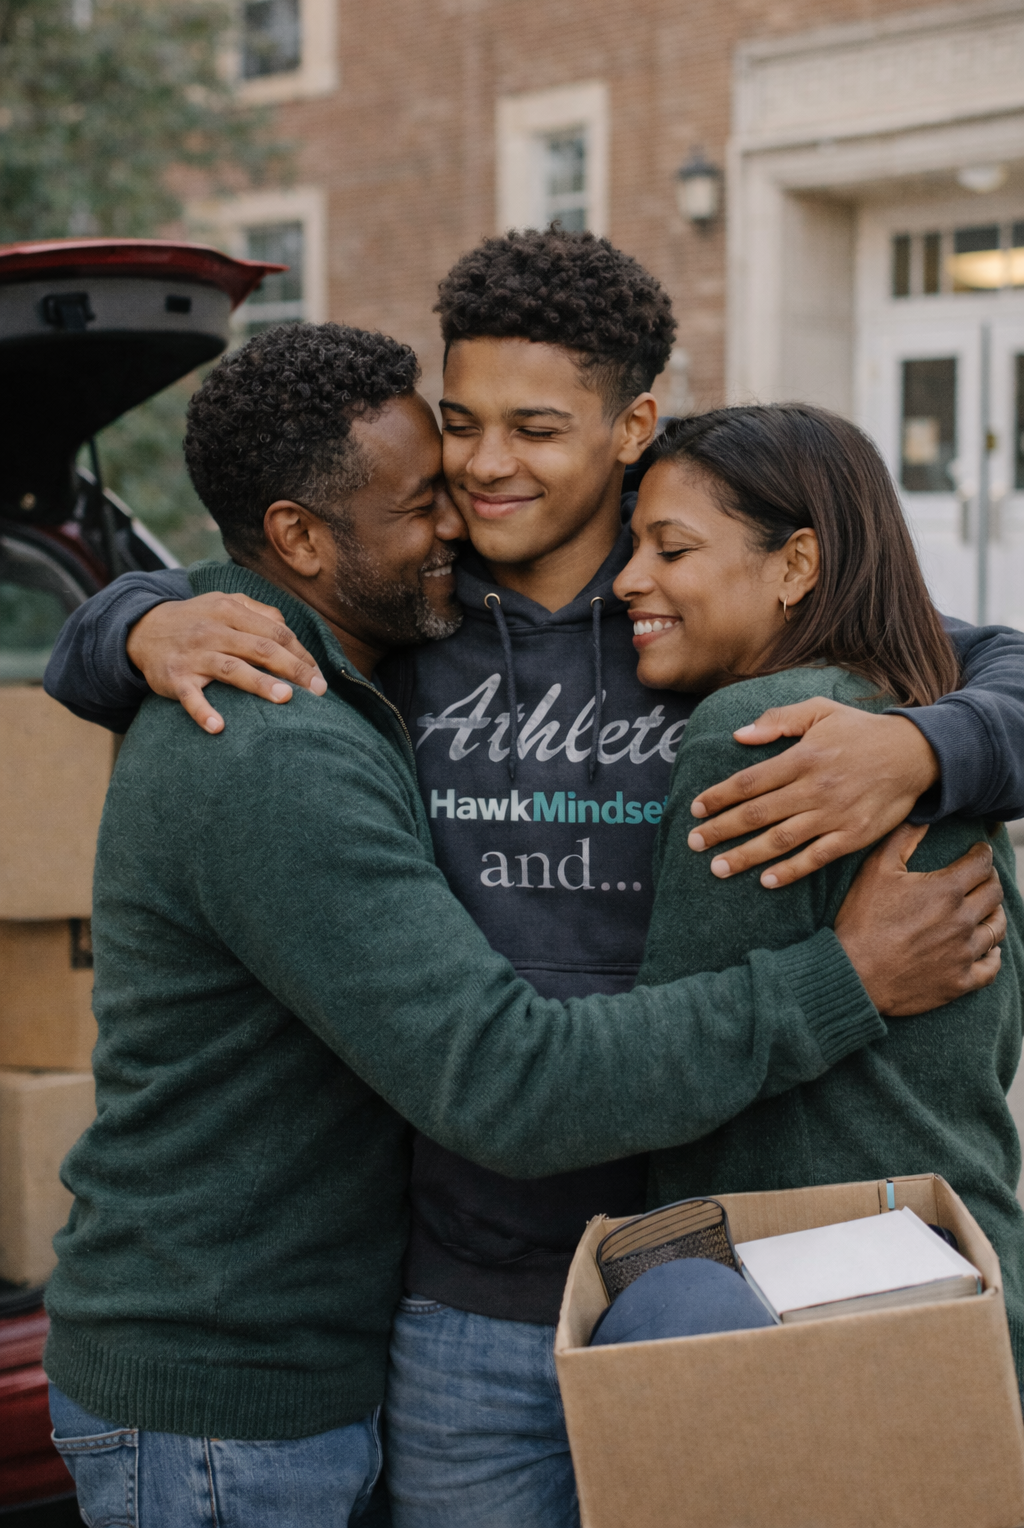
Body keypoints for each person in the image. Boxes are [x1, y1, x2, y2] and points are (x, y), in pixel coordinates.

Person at [43, 231, 1024, 1528]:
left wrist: (926, 741)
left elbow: (962, 651)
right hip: (463, 1300)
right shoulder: (405, 612)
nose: (482, 474)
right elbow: (222, 606)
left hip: (697, 1266)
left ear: (632, 429)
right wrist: (129, 621)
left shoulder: (689, 583)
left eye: (538, 428)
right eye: (460, 429)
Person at [615, 402, 1024, 1381]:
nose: (628, 580)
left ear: (796, 564)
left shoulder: (758, 729)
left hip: (807, 1321)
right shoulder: (916, 730)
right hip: (962, 1284)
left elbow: (672, 1086)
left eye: (670, 549)